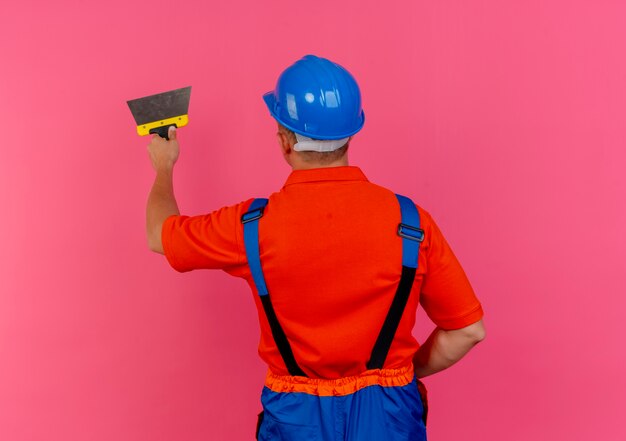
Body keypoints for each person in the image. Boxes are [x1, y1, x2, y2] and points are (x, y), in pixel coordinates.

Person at [145, 54, 485, 441]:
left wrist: (164, 167)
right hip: (389, 413)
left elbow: (159, 235)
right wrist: (401, 371)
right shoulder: (411, 221)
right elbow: (468, 331)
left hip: (296, 418)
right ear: (352, 132)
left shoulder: (251, 226)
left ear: (284, 140)